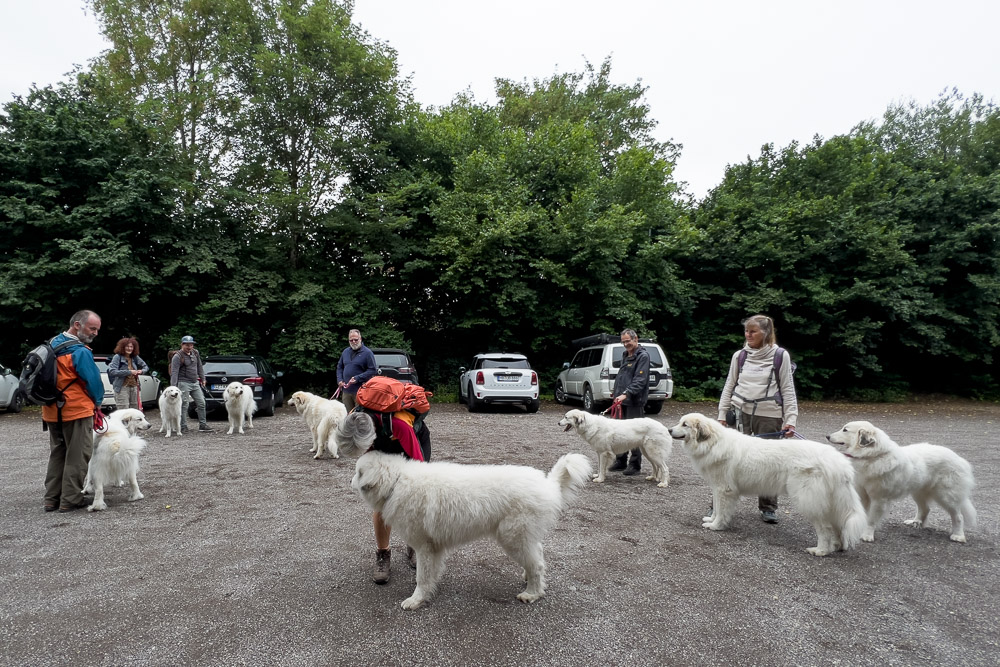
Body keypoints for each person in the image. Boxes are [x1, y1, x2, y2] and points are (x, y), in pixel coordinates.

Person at [717, 314, 799, 524]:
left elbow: (788, 389)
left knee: (769, 462)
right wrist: (721, 414)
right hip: (740, 411)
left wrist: (790, 419)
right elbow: (729, 384)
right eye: (746, 331)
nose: (748, 334)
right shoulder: (740, 356)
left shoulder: (780, 355)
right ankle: (720, 503)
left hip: (769, 414)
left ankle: (768, 507)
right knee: (729, 460)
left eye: (753, 331)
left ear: (766, 333)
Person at [42, 309, 105, 513]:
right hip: (75, 410)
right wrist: (97, 402)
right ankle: (70, 499)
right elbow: (93, 381)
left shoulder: (51, 344)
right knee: (78, 455)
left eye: (97, 329)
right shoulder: (79, 351)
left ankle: (52, 498)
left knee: (58, 453)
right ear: (77, 325)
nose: (95, 333)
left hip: (51, 410)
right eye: (92, 328)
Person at [608, 328, 651, 476]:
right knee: (620, 433)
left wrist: (625, 394)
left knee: (634, 434)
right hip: (622, 400)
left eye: (628, 341)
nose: (626, 344)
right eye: (623, 342)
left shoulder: (643, 356)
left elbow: (640, 381)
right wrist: (617, 392)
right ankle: (620, 461)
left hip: (634, 401)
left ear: (635, 339)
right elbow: (622, 376)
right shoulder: (625, 355)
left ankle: (635, 465)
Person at [169, 335, 212, 433]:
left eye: (191, 345)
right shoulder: (177, 356)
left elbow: (199, 366)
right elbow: (174, 372)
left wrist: (203, 378)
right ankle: (183, 426)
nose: (189, 347)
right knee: (184, 404)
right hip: (183, 382)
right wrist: (173, 387)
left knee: (201, 403)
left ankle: (203, 425)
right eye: (187, 345)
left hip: (195, 382)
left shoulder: (195, 353)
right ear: (182, 345)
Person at [335, 328, 377, 411]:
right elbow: (339, 367)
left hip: (361, 391)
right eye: (351, 340)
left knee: (359, 416)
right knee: (348, 416)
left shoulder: (367, 353)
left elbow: (372, 370)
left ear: (360, 339)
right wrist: (340, 380)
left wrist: (358, 378)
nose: (353, 342)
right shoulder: (345, 352)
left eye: (356, 340)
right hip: (346, 391)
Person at [107, 337, 150, 411]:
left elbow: (145, 366)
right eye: (127, 346)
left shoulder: (135, 357)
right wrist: (129, 372)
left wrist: (142, 371)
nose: (129, 348)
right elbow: (112, 371)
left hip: (135, 387)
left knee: (135, 411)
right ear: (122, 347)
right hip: (122, 388)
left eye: (131, 347)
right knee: (124, 411)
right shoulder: (117, 357)